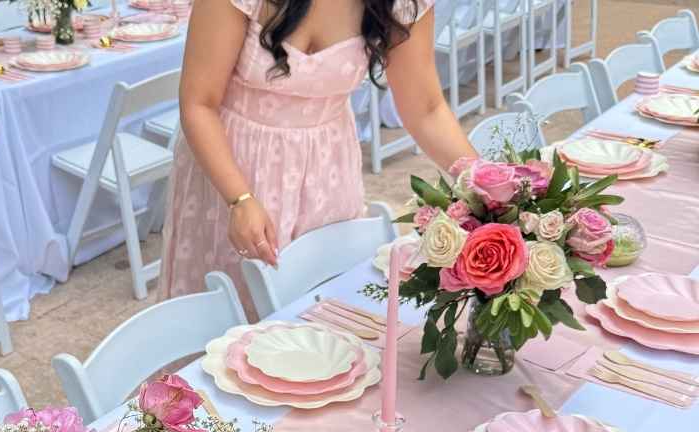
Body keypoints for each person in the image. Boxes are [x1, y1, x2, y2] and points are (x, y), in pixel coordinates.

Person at [158, 0, 477, 306]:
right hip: (233, 170)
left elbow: (426, 109)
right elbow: (199, 103)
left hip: (327, 173)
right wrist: (239, 198)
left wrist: (488, 186)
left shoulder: (401, 4)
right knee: (228, 317)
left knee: (323, 314)